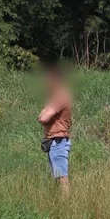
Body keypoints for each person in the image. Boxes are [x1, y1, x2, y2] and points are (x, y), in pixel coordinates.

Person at [38, 66, 72, 194]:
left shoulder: (60, 96)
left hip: (58, 141)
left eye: (48, 79)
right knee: (58, 177)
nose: (46, 82)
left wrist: (44, 115)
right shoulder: (55, 96)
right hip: (55, 142)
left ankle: (66, 207)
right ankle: (62, 204)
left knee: (62, 179)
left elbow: (43, 117)